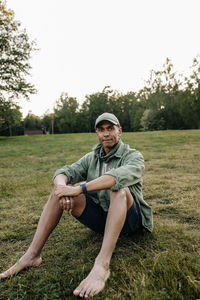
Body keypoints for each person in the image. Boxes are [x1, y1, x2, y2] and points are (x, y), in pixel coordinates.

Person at [0, 112, 153, 298]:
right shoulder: (92, 157)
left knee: (118, 190)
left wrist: (80, 188)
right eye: (101, 130)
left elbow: (117, 178)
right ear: (97, 134)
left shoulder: (133, 156)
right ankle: (32, 255)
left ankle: (102, 266)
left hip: (130, 223)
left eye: (110, 128)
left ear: (119, 131)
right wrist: (62, 188)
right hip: (103, 222)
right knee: (59, 192)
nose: (106, 134)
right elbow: (64, 171)